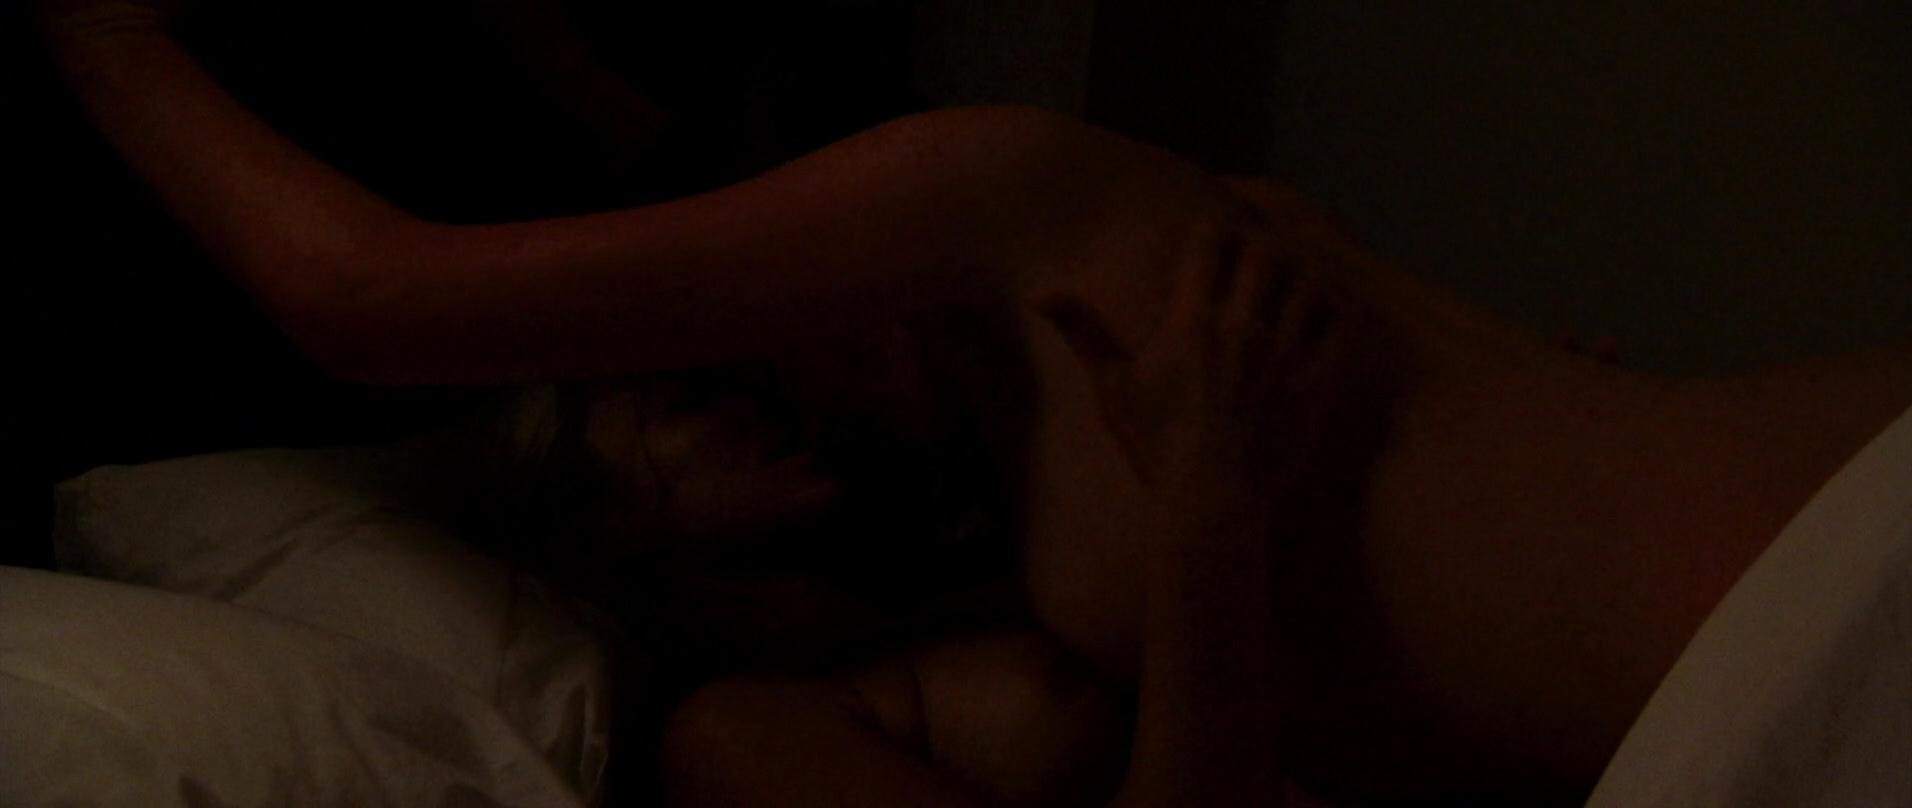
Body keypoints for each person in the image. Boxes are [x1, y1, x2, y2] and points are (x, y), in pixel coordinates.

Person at [36, 0, 1912, 804]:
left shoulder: (1015, 227)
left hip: (1834, 568)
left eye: (705, 352)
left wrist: (111, 42)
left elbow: (377, 297)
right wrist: (1224, 512)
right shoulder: (840, 674)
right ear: (611, 560)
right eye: (651, 423)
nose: (719, 397)